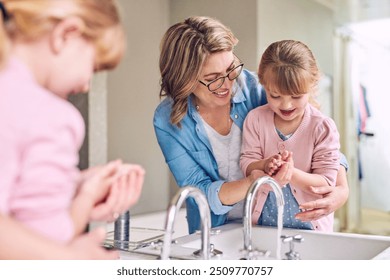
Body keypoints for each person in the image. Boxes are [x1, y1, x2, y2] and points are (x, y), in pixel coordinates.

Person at [153, 16, 349, 234]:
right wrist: (252, 181)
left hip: (269, 227)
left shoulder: (259, 88)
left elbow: (314, 132)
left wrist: (341, 189)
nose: (228, 83)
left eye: (230, 68)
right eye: (213, 78)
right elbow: (198, 189)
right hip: (217, 228)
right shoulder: (168, 120)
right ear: (184, 79)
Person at [0, 0, 145, 259]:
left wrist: (77, 186)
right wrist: (76, 259)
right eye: (94, 67)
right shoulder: (49, 115)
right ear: (67, 34)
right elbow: (48, 237)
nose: (86, 85)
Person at [240, 40, 340, 231]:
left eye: (296, 96)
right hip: (263, 224)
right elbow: (247, 163)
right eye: (275, 96)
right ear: (263, 84)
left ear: (312, 86)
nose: (286, 106)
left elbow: (326, 182)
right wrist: (264, 164)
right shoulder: (255, 120)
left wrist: (290, 173)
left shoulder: (322, 127)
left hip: (312, 228)